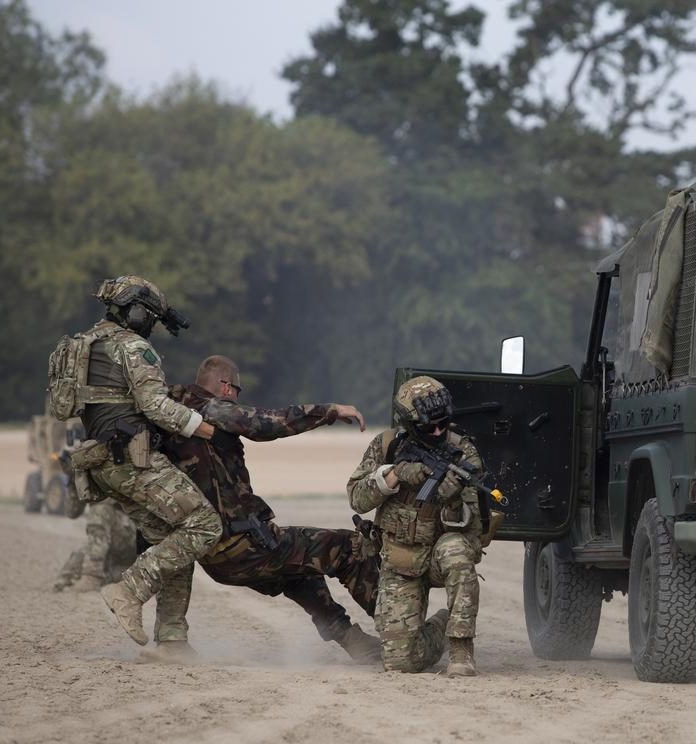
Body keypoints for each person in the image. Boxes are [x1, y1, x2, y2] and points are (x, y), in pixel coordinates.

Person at [149, 354, 380, 664]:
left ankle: (355, 642)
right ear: (226, 387)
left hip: (211, 554)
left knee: (300, 567)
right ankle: (402, 633)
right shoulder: (213, 409)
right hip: (244, 547)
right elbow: (267, 422)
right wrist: (330, 411)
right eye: (238, 392)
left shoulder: (170, 416)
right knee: (349, 548)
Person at [56, 276, 222, 645]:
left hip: (101, 462)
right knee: (204, 525)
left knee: (171, 539)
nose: (150, 327)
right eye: (150, 318)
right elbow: (154, 406)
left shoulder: (84, 344)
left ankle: (173, 638)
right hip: (133, 460)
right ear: (134, 312)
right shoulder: (132, 348)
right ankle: (128, 592)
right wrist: (203, 427)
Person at [347, 376, 485, 677]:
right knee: (400, 662)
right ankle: (441, 624)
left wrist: (452, 501)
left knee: (457, 550)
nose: (437, 431)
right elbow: (356, 498)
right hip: (401, 558)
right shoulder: (386, 446)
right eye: (428, 427)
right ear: (409, 424)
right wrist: (394, 475)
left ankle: (461, 647)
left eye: (443, 424)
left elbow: (473, 526)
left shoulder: (463, 452)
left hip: (439, 554)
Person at [53, 499, 139, 592]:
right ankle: (120, 574)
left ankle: (92, 576)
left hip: (139, 532)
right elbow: (73, 512)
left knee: (99, 511)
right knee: (68, 573)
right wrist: (74, 487)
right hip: (117, 547)